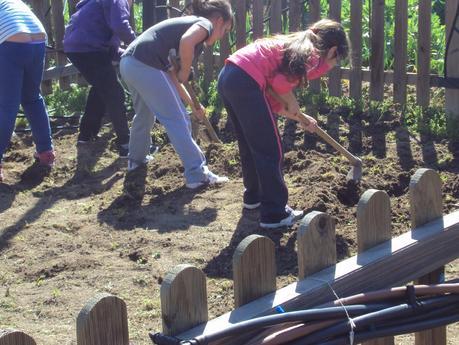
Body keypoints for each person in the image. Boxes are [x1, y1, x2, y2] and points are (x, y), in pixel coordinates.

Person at [217, 19, 350, 228]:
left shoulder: (293, 46)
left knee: (251, 146)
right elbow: (280, 87)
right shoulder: (312, 54)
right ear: (333, 50)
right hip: (245, 81)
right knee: (271, 150)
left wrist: (299, 117)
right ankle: (275, 214)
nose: (330, 67)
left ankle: (255, 198)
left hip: (230, 77)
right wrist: (294, 104)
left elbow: (272, 98)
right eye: (336, 61)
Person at [120, 0, 232, 188]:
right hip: (146, 64)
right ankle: (198, 174)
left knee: (144, 115)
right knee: (178, 119)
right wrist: (185, 71)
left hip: (130, 64)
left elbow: (172, 78)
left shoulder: (185, 29)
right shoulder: (205, 24)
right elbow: (186, 43)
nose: (222, 36)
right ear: (219, 20)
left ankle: (136, 161)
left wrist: (193, 104)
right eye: (225, 31)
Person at [63, 0, 136, 157]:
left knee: (101, 88)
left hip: (75, 47)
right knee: (114, 93)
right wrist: (138, 45)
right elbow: (120, 25)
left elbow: (112, 49)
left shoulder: (96, 4)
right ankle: (126, 145)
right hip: (89, 48)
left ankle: (86, 135)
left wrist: (129, 53)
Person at [0, 0, 55, 183]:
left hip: (11, 39)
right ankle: (46, 152)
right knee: (32, 98)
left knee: (7, 105)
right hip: (38, 38)